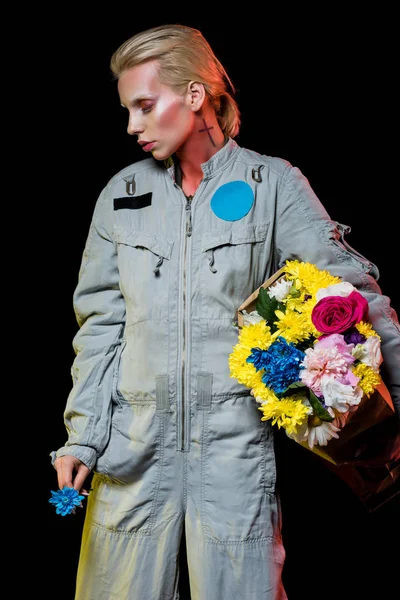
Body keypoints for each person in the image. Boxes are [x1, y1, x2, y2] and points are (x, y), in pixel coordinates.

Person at [51, 23, 400, 600]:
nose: (132, 126)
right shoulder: (120, 197)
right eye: (128, 109)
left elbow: (354, 295)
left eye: (144, 105)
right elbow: (100, 328)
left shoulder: (272, 184)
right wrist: (83, 438)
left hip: (233, 454)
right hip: (131, 455)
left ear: (193, 96)